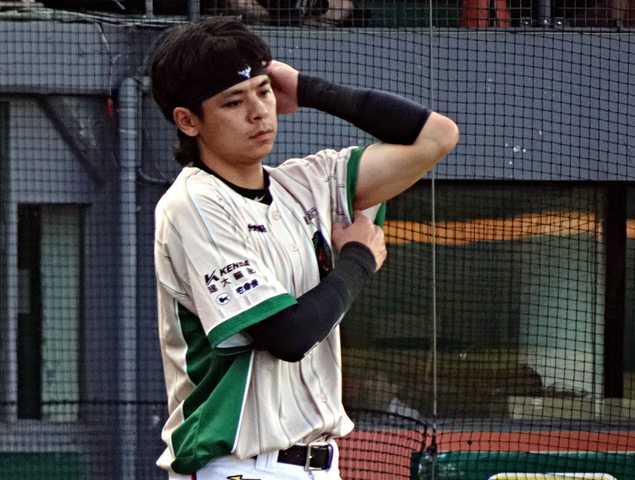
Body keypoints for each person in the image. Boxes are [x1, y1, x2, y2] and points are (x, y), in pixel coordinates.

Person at [149, 17, 458, 480]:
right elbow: (287, 336)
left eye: (263, 91)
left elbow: (437, 137)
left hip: (321, 462)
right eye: (234, 101)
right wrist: (358, 260)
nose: (259, 112)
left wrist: (308, 89)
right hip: (236, 465)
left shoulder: (306, 183)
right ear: (188, 120)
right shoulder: (193, 203)